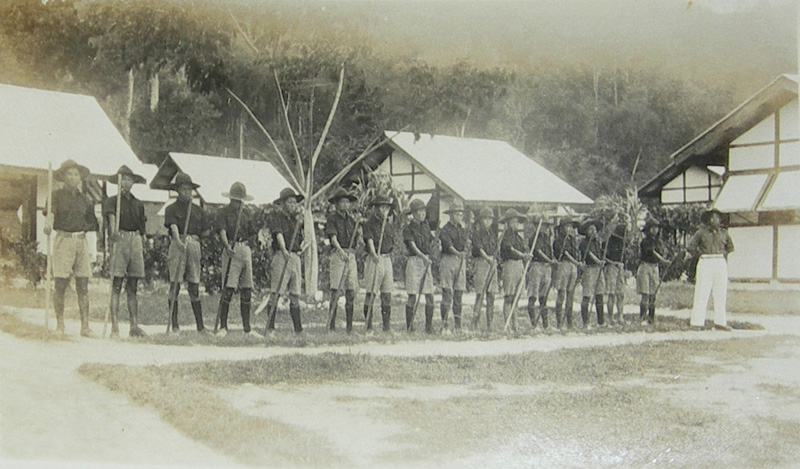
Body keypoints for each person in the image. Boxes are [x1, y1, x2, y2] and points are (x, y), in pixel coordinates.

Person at [45, 159, 99, 337]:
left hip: (80, 241)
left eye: (76, 174)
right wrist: (48, 224)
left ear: (80, 178)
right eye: (69, 174)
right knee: (60, 283)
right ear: (63, 177)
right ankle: (60, 325)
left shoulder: (86, 199)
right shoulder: (55, 196)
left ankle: (85, 326)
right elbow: (50, 215)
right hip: (63, 239)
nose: (73, 177)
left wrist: (91, 248)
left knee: (83, 284)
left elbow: (91, 225)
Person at [103, 165, 148, 338]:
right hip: (120, 239)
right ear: (118, 182)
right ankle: (115, 327)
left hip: (135, 241)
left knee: (133, 285)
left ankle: (134, 326)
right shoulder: (113, 201)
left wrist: (142, 242)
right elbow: (111, 219)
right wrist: (113, 231)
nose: (126, 182)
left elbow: (142, 228)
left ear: (133, 182)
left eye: (129, 179)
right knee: (116, 283)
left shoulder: (138, 204)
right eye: (123, 179)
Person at [164, 172, 209, 333]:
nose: (187, 192)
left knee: (194, 284)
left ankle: (200, 326)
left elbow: (205, 231)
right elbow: (173, 226)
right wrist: (178, 240)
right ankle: (174, 325)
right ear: (178, 190)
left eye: (189, 189)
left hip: (194, 245)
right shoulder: (171, 208)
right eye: (183, 189)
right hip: (178, 244)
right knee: (175, 284)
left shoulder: (198, 210)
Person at [216, 181, 261, 337]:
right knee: (228, 288)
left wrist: (252, 239)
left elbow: (252, 232)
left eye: (240, 200)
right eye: (235, 200)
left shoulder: (247, 213)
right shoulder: (223, 212)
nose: (237, 203)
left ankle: (247, 329)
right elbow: (221, 230)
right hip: (231, 249)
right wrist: (227, 245)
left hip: (244, 249)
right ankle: (223, 327)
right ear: (230, 199)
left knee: (246, 288)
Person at [265, 188, 305, 333]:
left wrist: (301, 248)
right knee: (276, 293)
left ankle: (298, 330)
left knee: (295, 294)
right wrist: (284, 250)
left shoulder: (297, 220)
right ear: (282, 203)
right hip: (282, 256)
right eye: (290, 202)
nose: (293, 205)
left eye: (295, 202)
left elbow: (302, 238)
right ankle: (270, 328)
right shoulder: (276, 217)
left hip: (294, 257)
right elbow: (278, 235)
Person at [689, 208, 734, 331]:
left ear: (720, 220)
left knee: (720, 293)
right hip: (705, 261)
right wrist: (701, 254)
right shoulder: (701, 233)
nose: (714, 220)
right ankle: (697, 323)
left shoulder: (724, 233)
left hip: (720, 261)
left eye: (717, 218)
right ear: (708, 220)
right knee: (702, 292)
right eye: (712, 218)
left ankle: (720, 322)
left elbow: (730, 247)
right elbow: (691, 247)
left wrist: (722, 255)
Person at [325, 187, 359, 332]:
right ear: (337, 204)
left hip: (350, 255)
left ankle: (349, 327)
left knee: (351, 290)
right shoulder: (332, 218)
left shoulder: (352, 220)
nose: (345, 205)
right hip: (338, 255)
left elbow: (356, 240)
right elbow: (333, 238)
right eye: (342, 202)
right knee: (336, 290)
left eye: (347, 202)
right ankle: (331, 327)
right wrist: (341, 252)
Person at [363, 194, 396, 332]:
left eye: (387, 207)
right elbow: (369, 239)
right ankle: (369, 327)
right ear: (376, 208)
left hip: (386, 259)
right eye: (382, 207)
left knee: (387, 294)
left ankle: (386, 327)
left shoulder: (388, 225)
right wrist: (373, 253)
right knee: (371, 292)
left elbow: (391, 243)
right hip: (374, 259)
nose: (384, 210)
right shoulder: (369, 223)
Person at [404, 198, 436, 333]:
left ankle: (428, 328)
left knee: (430, 295)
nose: (422, 214)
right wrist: (424, 257)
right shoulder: (408, 228)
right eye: (419, 211)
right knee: (412, 295)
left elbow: (431, 241)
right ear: (414, 213)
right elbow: (413, 246)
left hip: (426, 261)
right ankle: (410, 327)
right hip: (415, 261)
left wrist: (435, 245)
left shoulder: (426, 226)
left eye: (423, 211)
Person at [438, 200, 468, 331]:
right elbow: (448, 245)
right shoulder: (445, 229)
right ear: (451, 215)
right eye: (456, 214)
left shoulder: (462, 230)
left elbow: (465, 244)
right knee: (447, 293)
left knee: (458, 294)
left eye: (461, 214)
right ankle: (444, 325)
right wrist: (458, 253)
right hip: (448, 260)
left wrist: (463, 252)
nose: (459, 216)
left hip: (460, 261)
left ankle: (458, 325)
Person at [499, 209, 529, 332]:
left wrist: (526, 254)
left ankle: (515, 324)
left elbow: (522, 249)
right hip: (510, 265)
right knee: (509, 296)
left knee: (516, 297)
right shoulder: (506, 236)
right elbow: (510, 249)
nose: (515, 224)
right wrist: (522, 255)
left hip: (519, 265)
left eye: (517, 222)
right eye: (513, 222)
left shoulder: (518, 236)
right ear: (508, 222)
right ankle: (507, 325)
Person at [637, 219, 670, 325]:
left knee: (653, 294)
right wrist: (663, 261)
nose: (655, 230)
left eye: (656, 227)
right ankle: (642, 318)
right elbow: (653, 252)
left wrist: (665, 256)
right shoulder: (645, 241)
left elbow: (662, 251)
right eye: (653, 227)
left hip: (654, 267)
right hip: (645, 267)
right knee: (645, 294)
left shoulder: (658, 241)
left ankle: (651, 318)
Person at [470, 207, 499, 329]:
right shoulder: (476, 233)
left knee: (491, 294)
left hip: (492, 263)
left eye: (490, 219)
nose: (487, 221)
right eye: (485, 219)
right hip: (482, 263)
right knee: (480, 294)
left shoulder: (492, 234)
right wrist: (487, 258)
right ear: (481, 220)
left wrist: (493, 259)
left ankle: (490, 323)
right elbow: (480, 248)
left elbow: (495, 248)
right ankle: (474, 323)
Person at [527, 216, 556, 330]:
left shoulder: (547, 238)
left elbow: (549, 252)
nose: (545, 228)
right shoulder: (534, 238)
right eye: (543, 225)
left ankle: (546, 324)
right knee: (533, 295)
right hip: (537, 266)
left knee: (544, 296)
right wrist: (550, 261)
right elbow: (538, 252)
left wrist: (550, 261)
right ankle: (534, 324)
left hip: (546, 267)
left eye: (546, 226)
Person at [553, 218, 581, 330]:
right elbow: (565, 253)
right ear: (562, 228)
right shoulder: (558, 240)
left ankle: (570, 322)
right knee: (562, 293)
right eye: (567, 226)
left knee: (571, 294)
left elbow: (575, 253)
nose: (569, 229)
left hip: (573, 266)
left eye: (570, 226)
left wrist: (577, 263)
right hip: (564, 265)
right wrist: (577, 262)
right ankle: (559, 322)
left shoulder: (572, 240)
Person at [579, 218, 605, 329]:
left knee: (600, 295)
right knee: (587, 295)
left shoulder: (597, 242)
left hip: (598, 269)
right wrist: (598, 261)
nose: (593, 231)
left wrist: (601, 261)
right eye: (590, 229)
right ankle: (586, 322)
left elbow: (600, 254)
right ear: (586, 231)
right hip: (589, 269)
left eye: (594, 229)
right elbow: (589, 254)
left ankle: (601, 322)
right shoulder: (584, 242)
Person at [604, 219, 627, 326]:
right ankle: (610, 318)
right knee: (611, 294)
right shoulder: (608, 242)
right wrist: (614, 263)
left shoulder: (622, 243)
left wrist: (621, 264)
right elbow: (604, 258)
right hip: (611, 268)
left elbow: (623, 257)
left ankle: (620, 316)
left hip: (620, 268)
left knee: (621, 294)